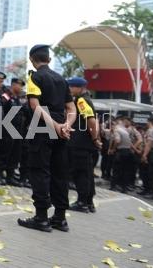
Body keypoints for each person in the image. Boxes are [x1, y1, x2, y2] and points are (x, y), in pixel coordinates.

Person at [17, 44, 74, 233]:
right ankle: (60, 218)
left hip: (42, 127)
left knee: (39, 171)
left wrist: (55, 126)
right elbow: (71, 109)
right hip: (60, 129)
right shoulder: (61, 79)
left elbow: (35, 106)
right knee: (60, 172)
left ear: (33, 60)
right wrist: (65, 125)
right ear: (49, 59)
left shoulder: (35, 77)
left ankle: (41, 218)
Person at [67, 77, 100, 213]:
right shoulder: (87, 99)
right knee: (87, 173)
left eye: (71, 87)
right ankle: (89, 202)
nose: (69, 90)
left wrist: (95, 138)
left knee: (81, 174)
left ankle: (82, 202)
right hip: (84, 144)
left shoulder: (81, 100)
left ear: (79, 88)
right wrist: (95, 138)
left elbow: (91, 121)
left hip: (80, 143)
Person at [0, 77, 26, 186]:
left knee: (15, 154)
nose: (20, 88)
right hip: (7, 130)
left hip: (17, 130)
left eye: (21, 86)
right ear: (13, 85)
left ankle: (10, 176)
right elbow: (1, 113)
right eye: (19, 85)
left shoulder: (17, 98)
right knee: (4, 153)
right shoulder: (6, 97)